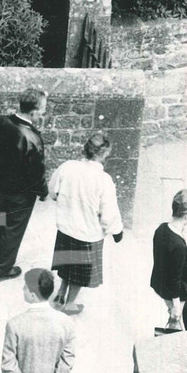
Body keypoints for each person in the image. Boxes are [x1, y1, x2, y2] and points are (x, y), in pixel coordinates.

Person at [47, 133, 124, 315]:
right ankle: (69, 304)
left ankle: (60, 294)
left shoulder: (67, 167)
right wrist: (117, 231)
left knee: (67, 263)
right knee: (79, 273)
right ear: (105, 153)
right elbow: (108, 214)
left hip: (66, 229)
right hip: (87, 235)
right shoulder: (103, 180)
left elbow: (52, 191)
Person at [0, 88, 49, 281]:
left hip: (0, 187)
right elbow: (36, 173)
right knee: (14, 229)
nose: (43, 114)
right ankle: (2, 270)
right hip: (20, 194)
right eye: (43, 110)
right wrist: (43, 192)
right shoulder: (32, 138)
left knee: (1, 217)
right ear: (33, 112)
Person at [150, 189, 187, 330]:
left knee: (172, 315)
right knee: (176, 323)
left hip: (160, 284)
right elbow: (175, 279)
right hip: (176, 292)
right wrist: (176, 307)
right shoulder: (179, 247)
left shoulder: (161, 229)